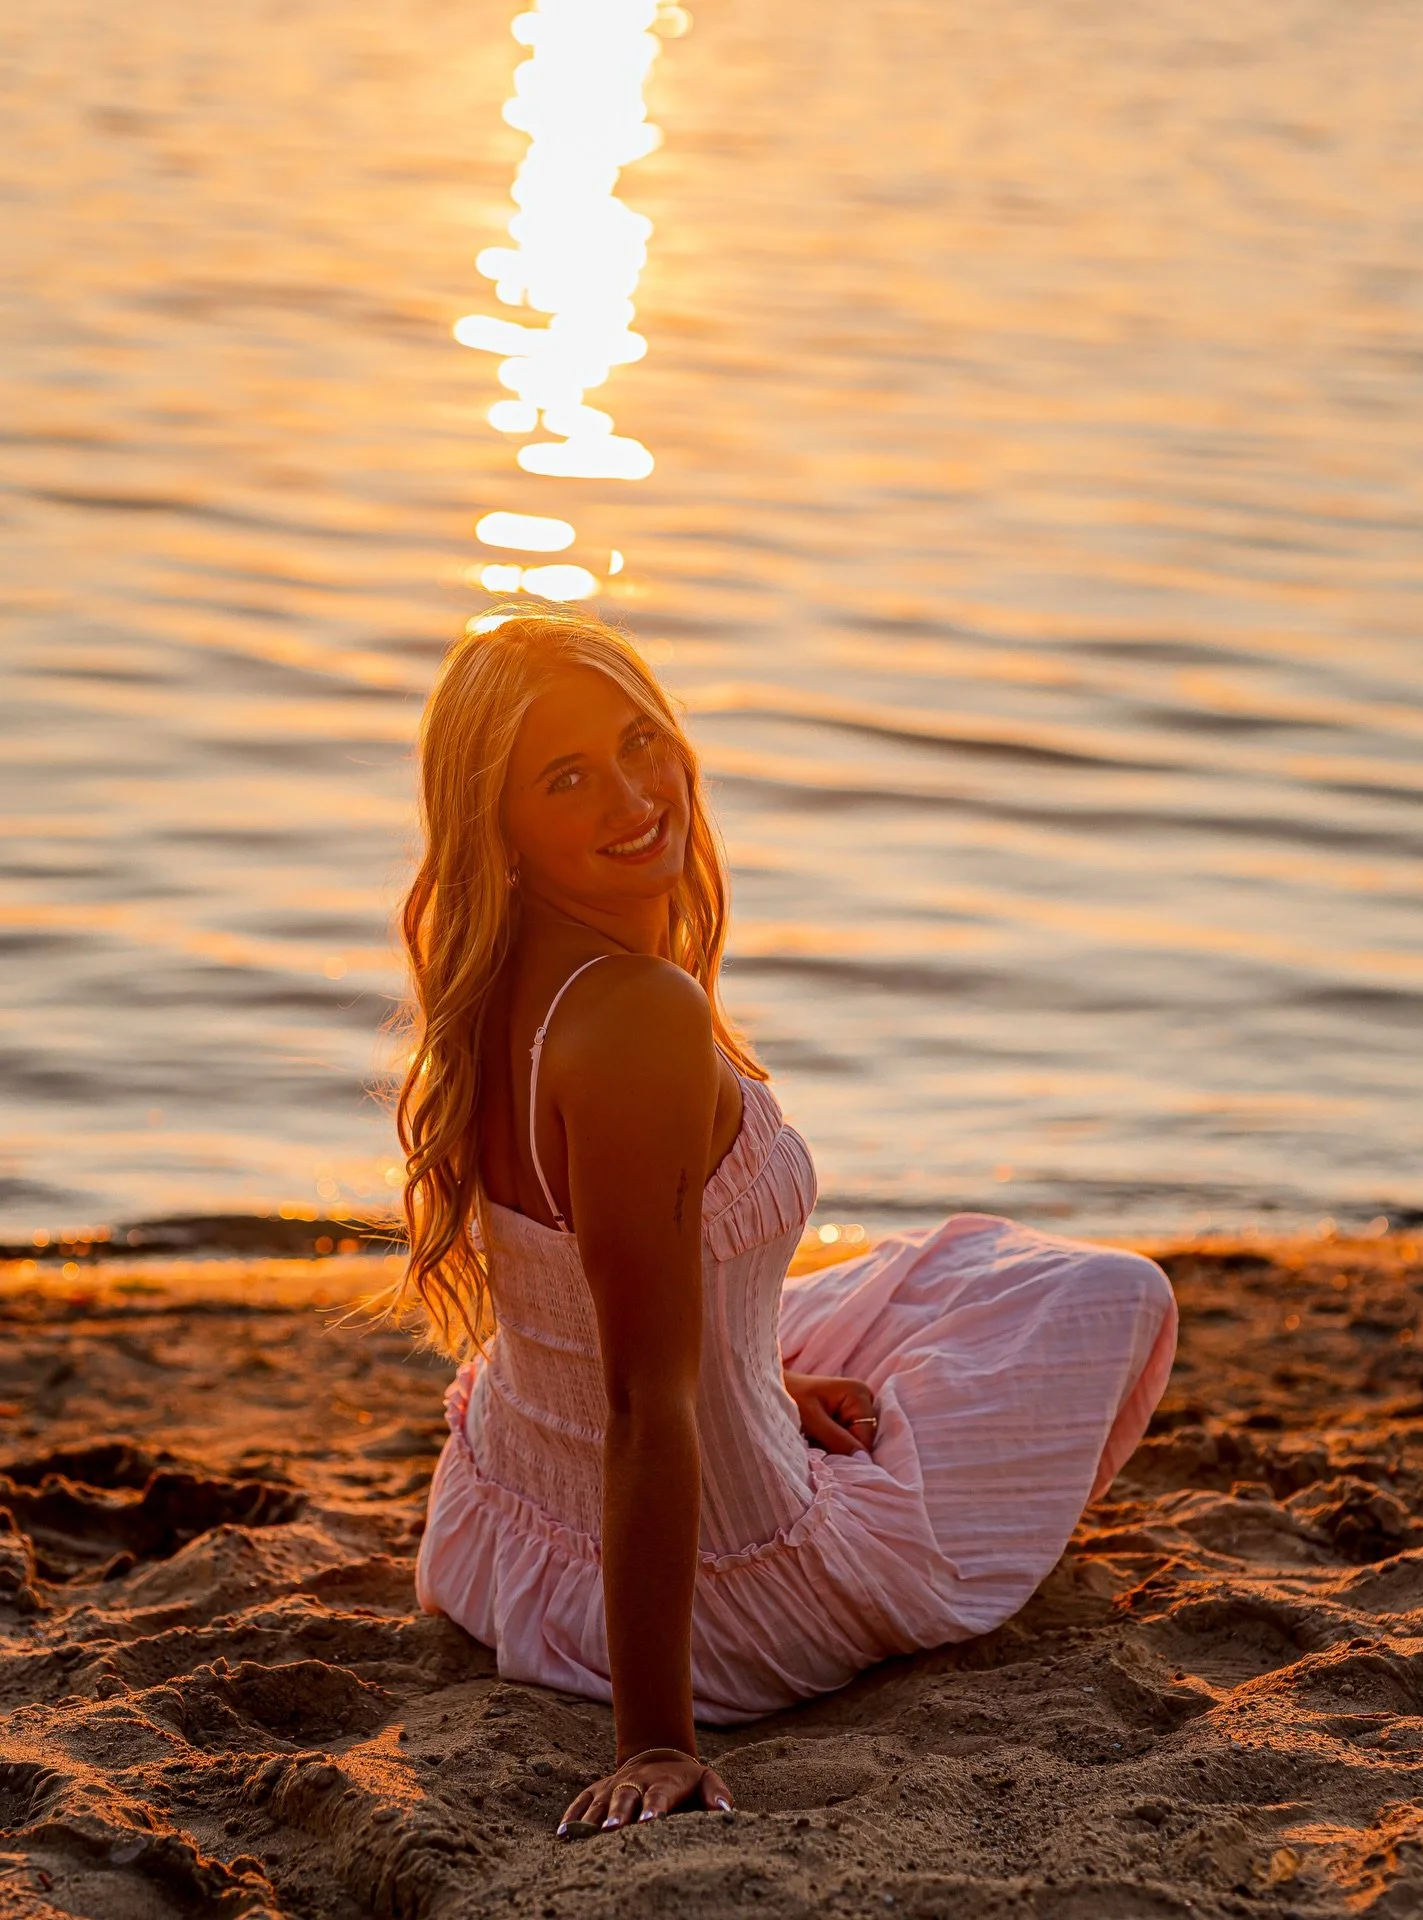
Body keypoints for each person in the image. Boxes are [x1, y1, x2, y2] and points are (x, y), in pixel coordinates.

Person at [392, 603, 1177, 1839]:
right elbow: (644, 1401)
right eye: (568, 778)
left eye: (640, 741)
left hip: (497, 1537)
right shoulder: (637, 1017)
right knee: (1109, 1296)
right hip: (716, 1600)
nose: (633, 796)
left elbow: (588, 1303)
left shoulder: (496, 982)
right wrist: (657, 1741)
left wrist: (763, 1383)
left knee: (938, 1271)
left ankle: (765, 1386)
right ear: (502, 827)